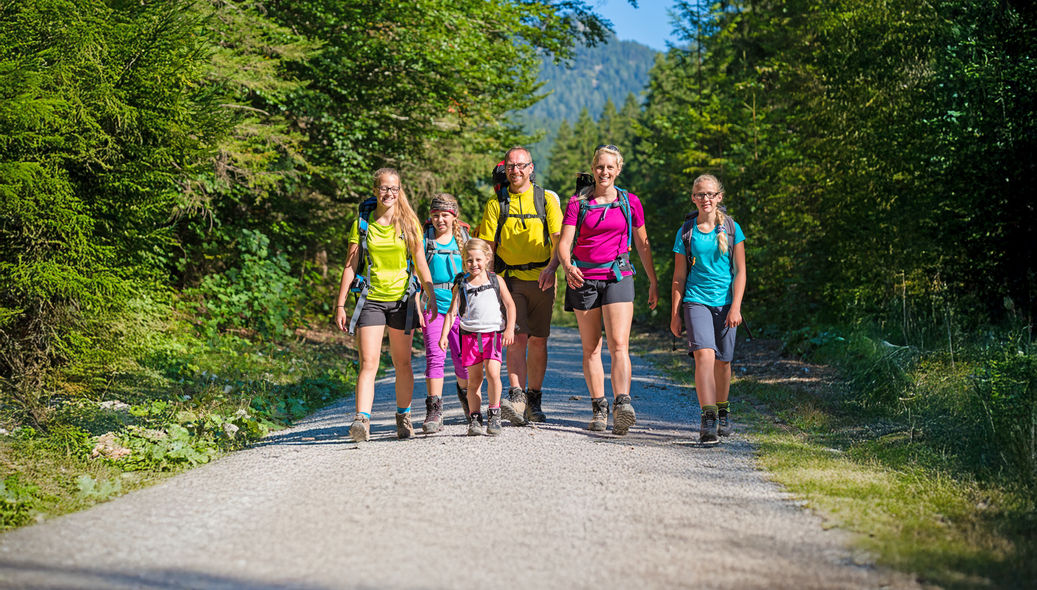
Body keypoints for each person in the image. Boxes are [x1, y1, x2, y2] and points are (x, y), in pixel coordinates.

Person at [556, 144, 659, 434]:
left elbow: (643, 244)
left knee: (619, 344)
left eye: (610, 167)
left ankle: (622, 404)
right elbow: (564, 243)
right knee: (591, 348)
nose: (604, 172)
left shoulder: (630, 202)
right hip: (583, 278)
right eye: (600, 167)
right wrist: (567, 266)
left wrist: (653, 280)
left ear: (618, 169)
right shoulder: (578, 203)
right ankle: (599, 408)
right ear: (593, 168)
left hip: (618, 275)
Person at [334, 168, 437, 442]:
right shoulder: (362, 224)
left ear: (400, 191)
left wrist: (430, 295)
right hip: (371, 300)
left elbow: (421, 263)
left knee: (402, 362)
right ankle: (361, 420)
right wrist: (340, 304)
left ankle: (403, 416)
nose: (388, 193)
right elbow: (350, 265)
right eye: (383, 188)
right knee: (369, 362)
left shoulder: (409, 223)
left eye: (394, 188)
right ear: (375, 190)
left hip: (403, 300)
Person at [477, 146, 562, 425]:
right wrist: (489, 282)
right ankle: (516, 397)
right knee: (516, 338)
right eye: (511, 166)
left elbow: (559, 239)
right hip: (509, 279)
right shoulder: (496, 204)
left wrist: (552, 269)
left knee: (538, 340)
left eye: (521, 165)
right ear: (506, 169)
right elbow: (487, 247)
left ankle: (533, 400)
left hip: (542, 278)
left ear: (531, 168)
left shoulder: (546, 200)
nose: (516, 170)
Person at [669, 174, 746, 444]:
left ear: (719, 197)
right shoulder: (686, 231)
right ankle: (708, 417)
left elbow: (740, 271)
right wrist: (675, 314)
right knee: (704, 356)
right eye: (700, 194)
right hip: (696, 300)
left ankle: (723, 410)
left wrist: (736, 307)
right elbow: (679, 277)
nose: (706, 199)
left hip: (726, 304)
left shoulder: (732, 228)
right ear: (693, 198)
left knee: (723, 362)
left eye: (710, 194)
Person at [439, 239, 517, 436]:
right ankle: (475, 417)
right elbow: (452, 313)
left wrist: (509, 329)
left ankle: (494, 413)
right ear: (464, 261)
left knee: (493, 374)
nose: (474, 264)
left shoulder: (496, 281)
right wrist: (444, 335)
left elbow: (510, 305)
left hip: (493, 335)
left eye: (478, 259)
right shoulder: (461, 284)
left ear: (487, 258)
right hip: (470, 337)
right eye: (469, 260)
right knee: (474, 380)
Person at [420, 194, 471, 433]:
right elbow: (415, 274)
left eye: (445, 215)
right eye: (435, 215)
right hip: (433, 308)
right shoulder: (425, 241)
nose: (440, 220)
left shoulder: (464, 241)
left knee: (463, 359)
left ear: (454, 217)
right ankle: (434, 410)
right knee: (435, 357)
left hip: (460, 309)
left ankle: (467, 398)